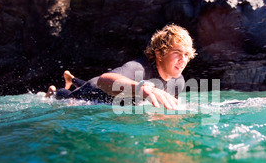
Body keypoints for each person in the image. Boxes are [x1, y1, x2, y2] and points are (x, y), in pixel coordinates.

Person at [45, 24, 196, 110]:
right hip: (93, 92)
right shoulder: (138, 68)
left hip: (114, 95)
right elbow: (105, 80)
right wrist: (141, 88)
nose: (183, 60)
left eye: (187, 54)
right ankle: (53, 91)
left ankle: (72, 78)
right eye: (177, 53)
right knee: (64, 99)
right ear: (159, 54)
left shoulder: (178, 81)